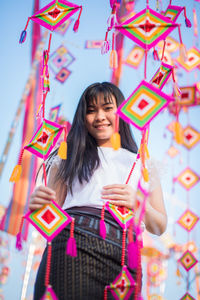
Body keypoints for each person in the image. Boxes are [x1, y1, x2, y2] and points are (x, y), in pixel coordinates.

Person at [30, 82, 167, 300]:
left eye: (107, 108)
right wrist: (38, 203)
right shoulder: (67, 156)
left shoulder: (144, 164)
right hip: (71, 248)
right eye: (91, 111)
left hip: (123, 259)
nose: (100, 116)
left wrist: (138, 203)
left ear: (123, 110)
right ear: (82, 118)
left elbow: (160, 226)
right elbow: (50, 209)